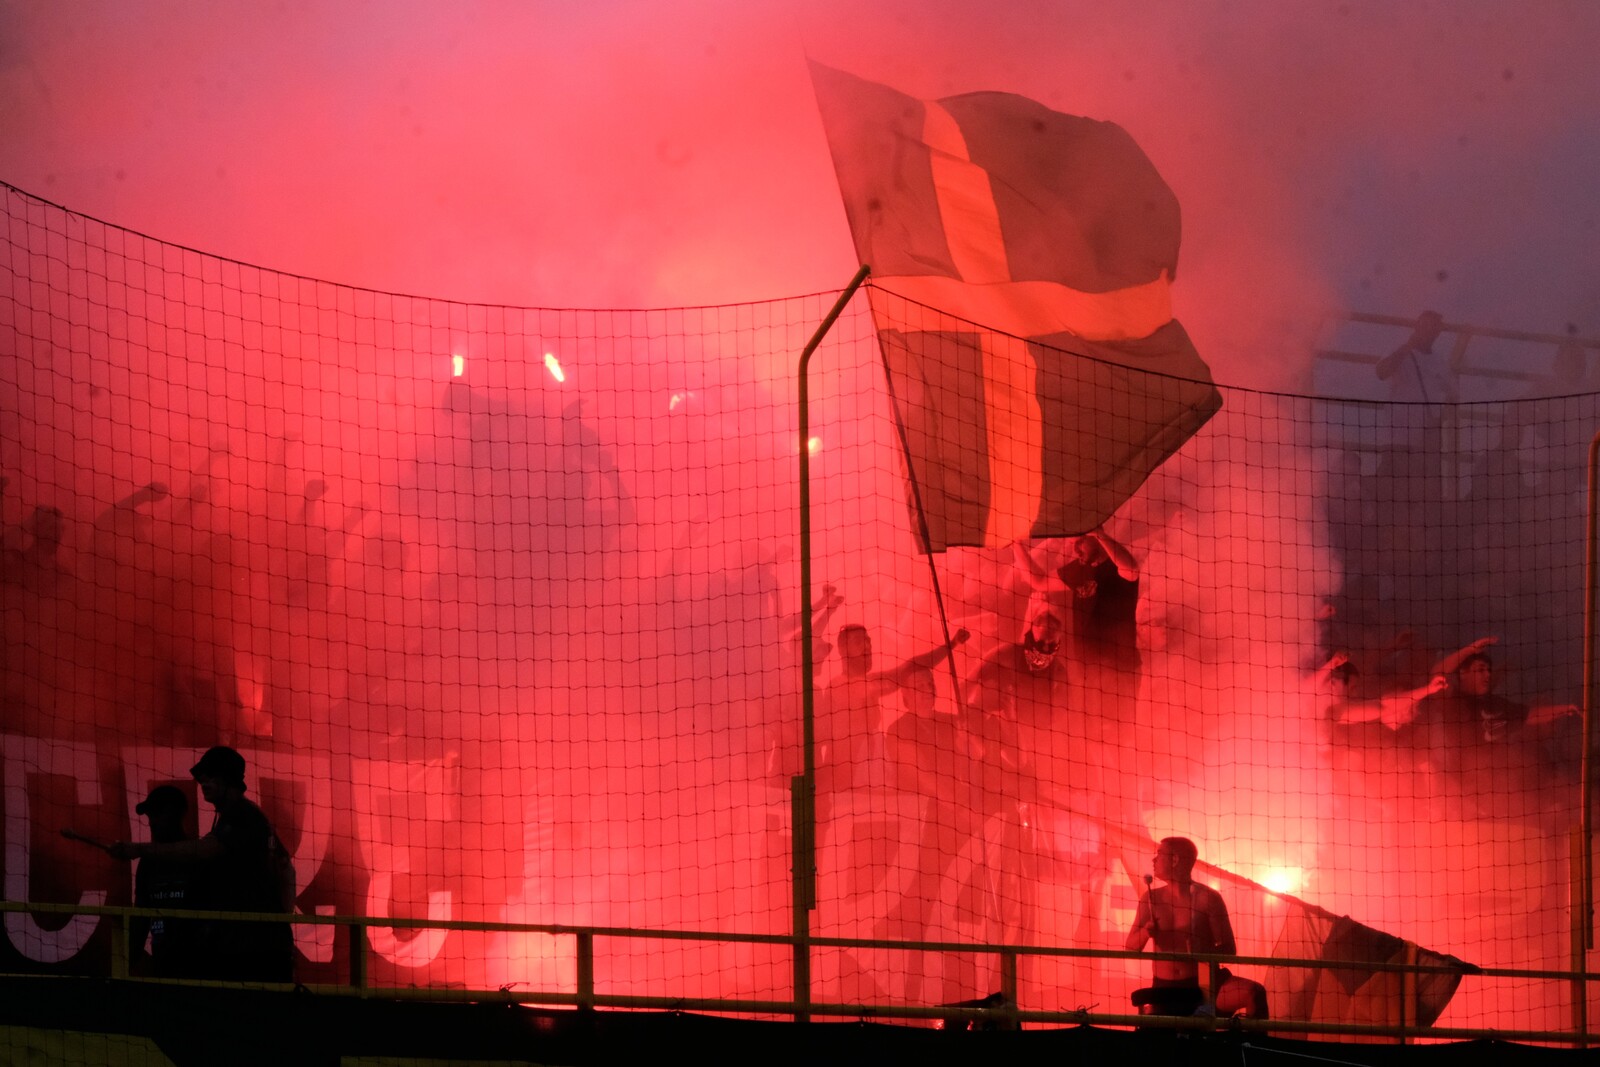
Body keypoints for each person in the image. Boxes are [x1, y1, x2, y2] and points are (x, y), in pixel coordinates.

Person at [112, 746, 294, 981]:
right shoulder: (247, 815)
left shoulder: (241, 815)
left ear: (229, 779)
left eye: (213, 775)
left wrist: (138, 849)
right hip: (259, 946)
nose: (204, 780)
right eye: (203, 776)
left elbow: (206, 849)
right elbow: (286, 867)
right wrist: (282, 923)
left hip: (251, 950)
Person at [1126, 837, 1266, 1018]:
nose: (1154, 860)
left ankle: (1254, 1045)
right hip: (1165, 989)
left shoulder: (1208, 898)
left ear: (1175, 860)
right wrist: (1146, 932)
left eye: (1159, 854)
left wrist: (1202, 952)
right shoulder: (1151, 898)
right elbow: (1130, 947)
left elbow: (1229, 950)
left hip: (1206, 983)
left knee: (1254, 992)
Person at [128, 784, 200, 977]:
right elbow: (141, 917)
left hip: (199, 966)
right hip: (163, 964)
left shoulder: (198, 858)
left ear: (175, 815)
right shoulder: (149, 862)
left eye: (157, 815)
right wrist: (125, 964)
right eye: (150, 816)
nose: (151, 822)